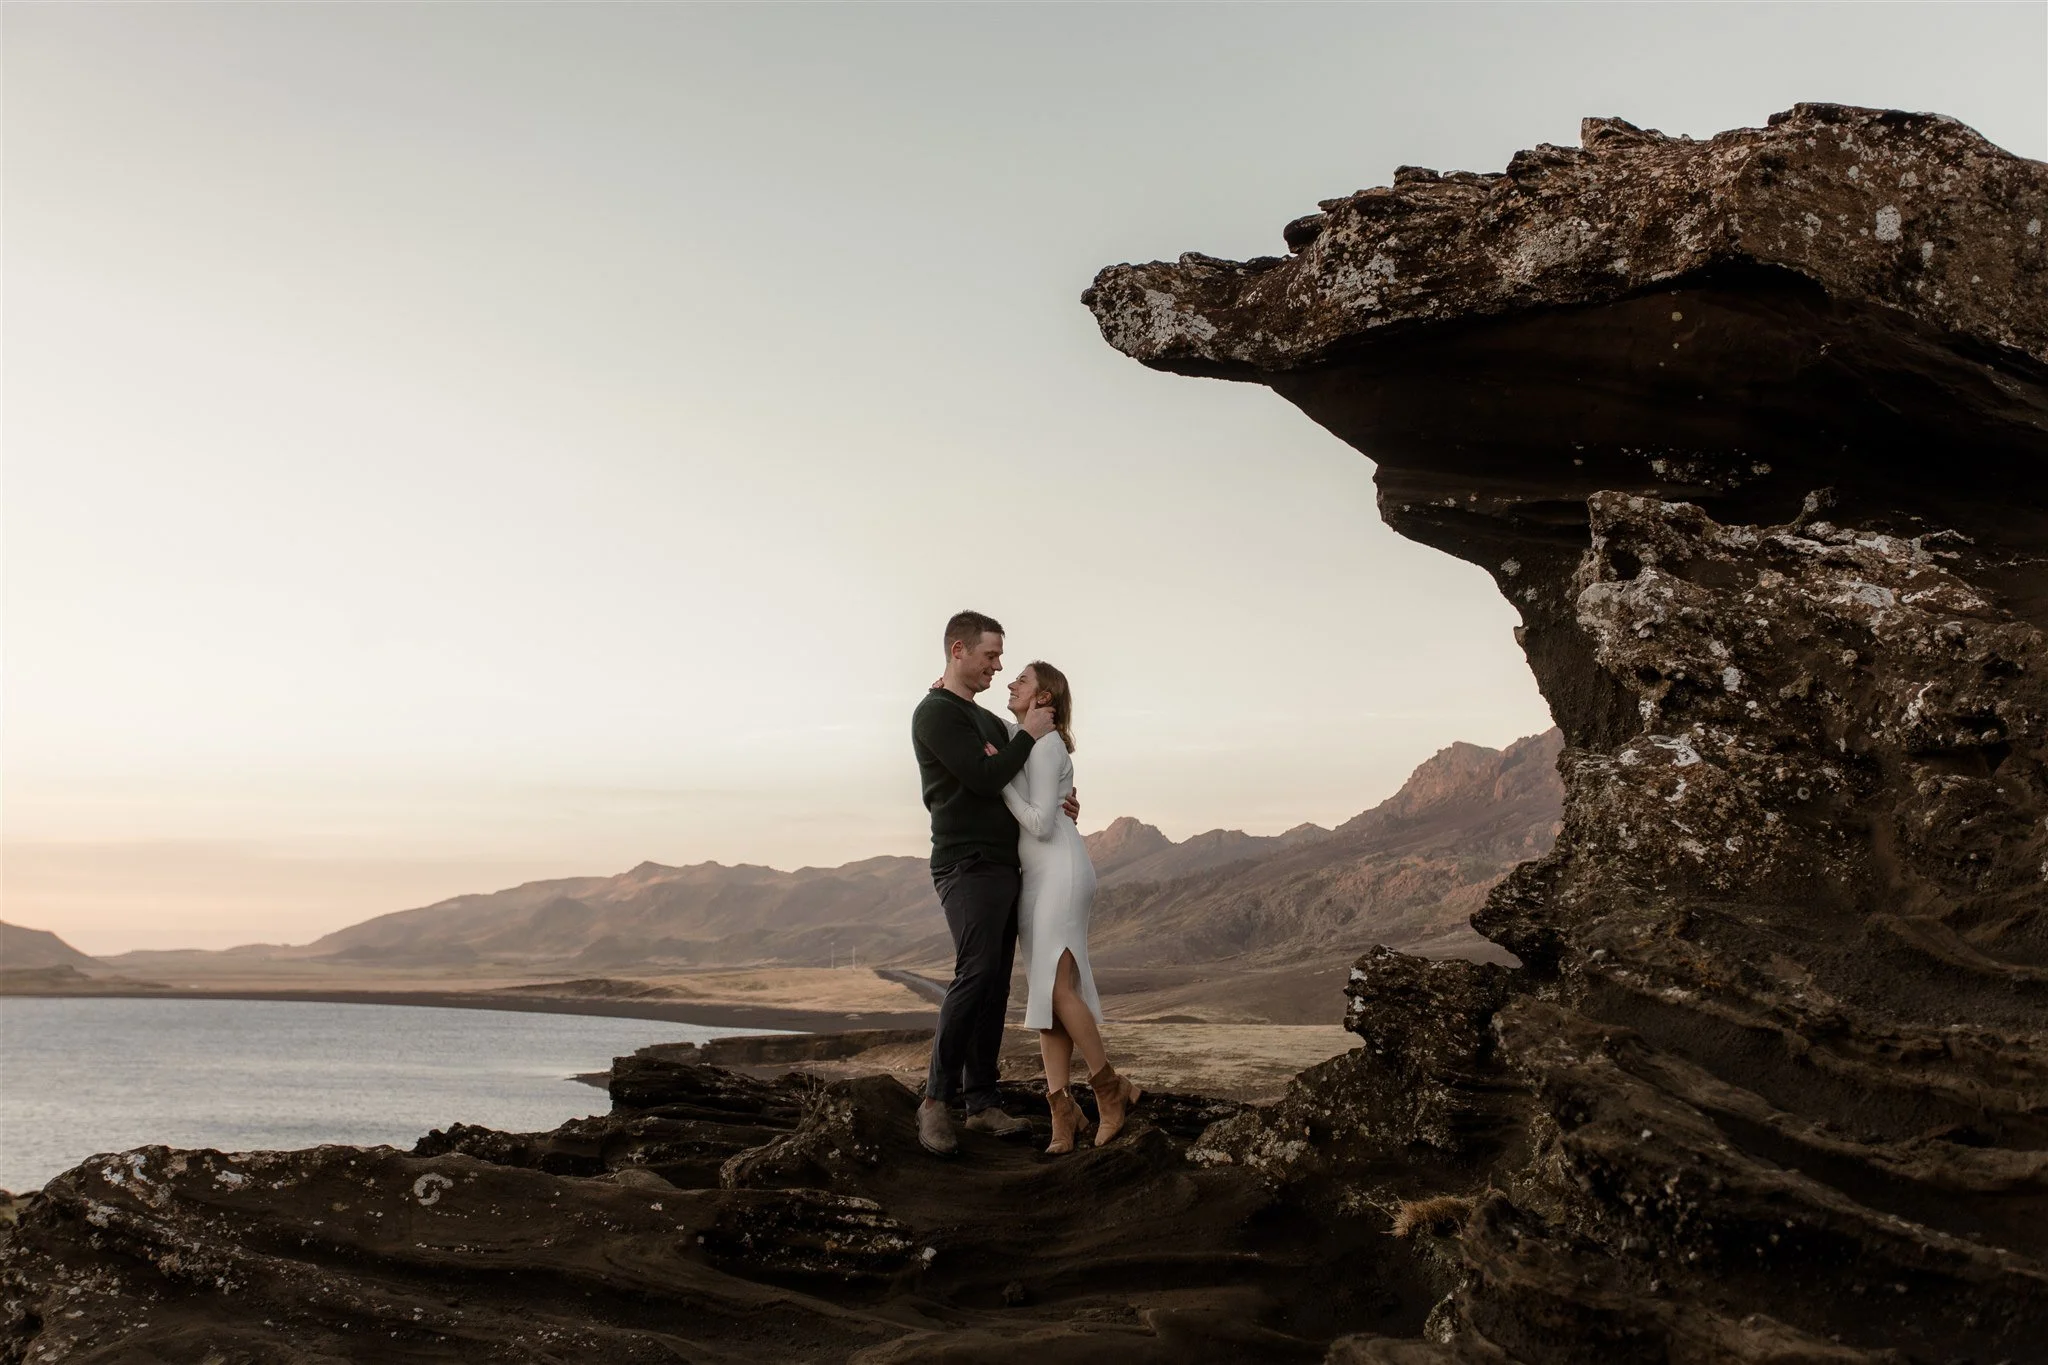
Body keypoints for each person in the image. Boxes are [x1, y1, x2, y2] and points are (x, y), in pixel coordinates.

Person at [909, 610, 1078, 1157]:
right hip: (966, 862)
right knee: (976, 972)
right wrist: (1027, 735)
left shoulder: (984, 721)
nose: (998, 666)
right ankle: (936, 1102)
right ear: (958, 651)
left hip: (1007, 865)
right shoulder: (935, 714)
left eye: (1002, 658)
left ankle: (981, 1102)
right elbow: (984, 778)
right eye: (990, 656)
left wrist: (1059, 800)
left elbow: (1020, 774)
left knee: (996, 981)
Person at [999, 661, 1141, 1153]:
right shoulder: (1026, 738)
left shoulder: (1046, 745)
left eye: (1022, 680)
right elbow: (984, 726)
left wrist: (1002, 786)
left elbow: (1040, 823)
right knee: (1045, 996)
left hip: (1060, 869)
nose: (1011, 683)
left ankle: (1110, 1089)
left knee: (1058, 990)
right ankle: (1063, 1112)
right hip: (1039, 876)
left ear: (1044, 698)